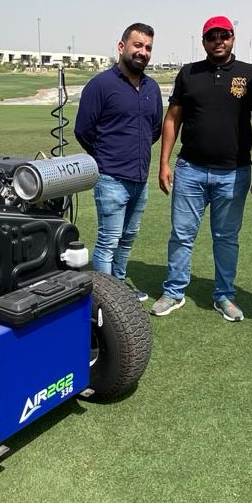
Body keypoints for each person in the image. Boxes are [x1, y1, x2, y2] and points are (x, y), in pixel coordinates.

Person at [151, 17, 252, 321]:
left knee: (226, 238)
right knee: (182, 235)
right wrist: (164, 163)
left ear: (233, 38)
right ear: (203, 42)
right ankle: (174, 292)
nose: (218, 41)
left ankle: (224, 296)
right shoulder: (188, 73)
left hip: (234, 172)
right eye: (212, 37)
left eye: (224, 35)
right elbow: (173, 119)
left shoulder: (251, 75)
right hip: (190, 171)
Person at [75, 23, 163, 301]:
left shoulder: (152, 88)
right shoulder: (100, 85)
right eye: (138, 45)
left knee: (127, 239)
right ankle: (106, 300)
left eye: (148, 47)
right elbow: (83, 130)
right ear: (122, 46)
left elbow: (154, 130)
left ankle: (120, 290)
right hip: (111, 178)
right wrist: (107, 156)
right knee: (108, 242)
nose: (143, 52)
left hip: (139, 179)